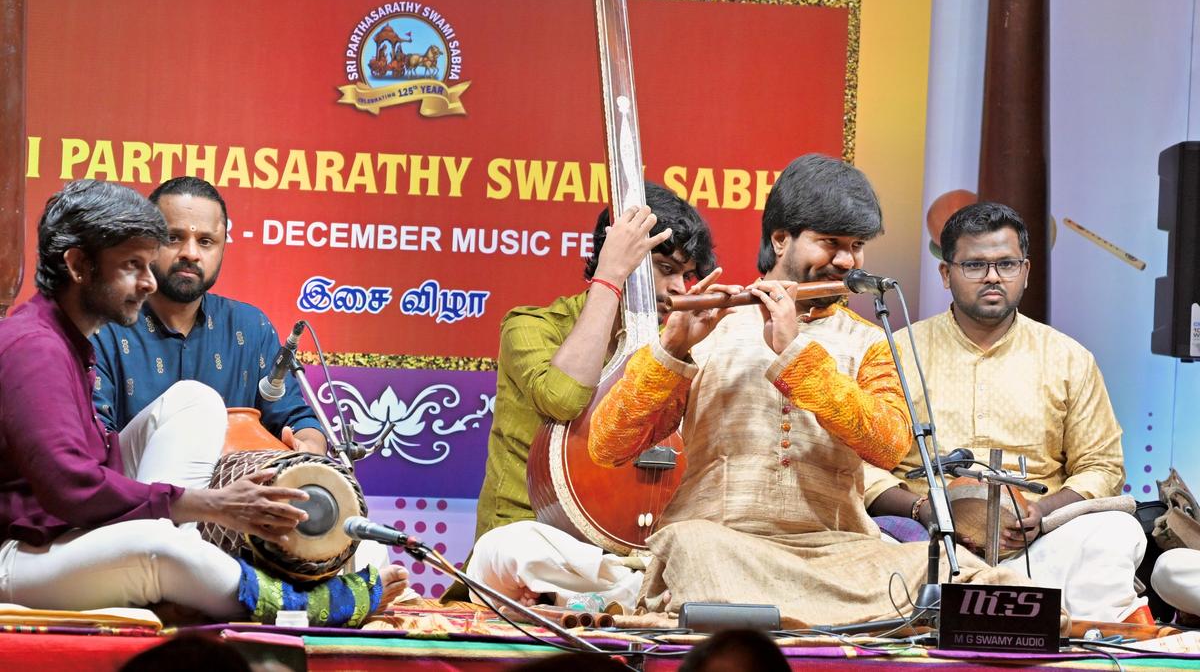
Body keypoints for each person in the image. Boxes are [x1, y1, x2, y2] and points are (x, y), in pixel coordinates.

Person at [502, 154, 1024, 627]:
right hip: (728, 547)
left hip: (837, 554)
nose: (848, 261)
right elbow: (609, 444)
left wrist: (795, 355)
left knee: (972, 578)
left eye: (857, 246)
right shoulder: (710, 326)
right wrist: (672, 352)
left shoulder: (868, 342)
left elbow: (888, 444)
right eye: (830, 242)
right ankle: (824, 621)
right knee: (690, 546)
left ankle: (782, 617)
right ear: (780, 240)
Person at [0, 180, 404, 625]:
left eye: (148, 263)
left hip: (74, 532)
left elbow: (295, 416)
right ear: (79, 265)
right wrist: (210, 503)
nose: (148, 281)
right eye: (133, 265)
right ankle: (307, 607)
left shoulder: (69, 339)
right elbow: (72, 488)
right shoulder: (36, 347)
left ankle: (183, 572)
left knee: (195, 400)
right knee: (159, 550)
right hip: (19, 552)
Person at [863, 201, 1147, 624]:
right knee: (862, 543)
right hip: (923, 544)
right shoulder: (896, 352)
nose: (993, 276)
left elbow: (1101, 466)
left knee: (1116, 531)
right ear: (946, 274)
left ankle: (1085, 641)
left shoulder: (1068, 358)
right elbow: (859, 466)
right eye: (975, 265)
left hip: (1038, 546)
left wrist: (1042, 514)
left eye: (1006, 264)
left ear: (1025, 272)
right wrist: (924, 508)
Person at [463, 183, 716, 608]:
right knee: (513, 549)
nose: (680, 289)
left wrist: (679, 351)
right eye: (666, 268)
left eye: (686, 276)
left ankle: (621, 590)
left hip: (631, 553)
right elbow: (564, 399)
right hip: (539, 542)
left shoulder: (671, 346)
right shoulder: (530, 327)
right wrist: (611, 276)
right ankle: (635, 594)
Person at [92, 176, 326, 457]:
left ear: (222, 248)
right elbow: (93, 442)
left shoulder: (251, 327)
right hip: (130, 484)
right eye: (173, 238)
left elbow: (295, 418)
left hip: (236, 485)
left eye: (205, 241)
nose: (190, 253)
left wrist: (307, 446)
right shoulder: (103, 326)